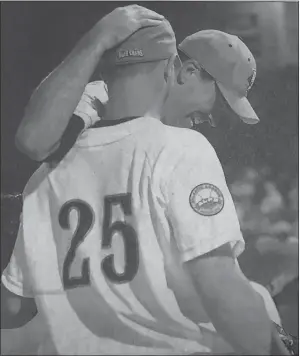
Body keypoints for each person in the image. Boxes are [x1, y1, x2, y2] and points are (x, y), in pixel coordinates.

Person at [2, 5, 291, 356]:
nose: (211, 121)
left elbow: (14, 306)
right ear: (184, 71)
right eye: (217, 104)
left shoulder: (56, 162)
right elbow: (216, 284)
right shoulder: (162, 139)